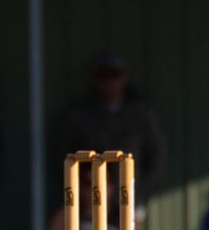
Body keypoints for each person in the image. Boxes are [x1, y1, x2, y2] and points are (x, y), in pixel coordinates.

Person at [62, 52, 164, 185]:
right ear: (96, 80)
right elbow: (66, 155)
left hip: (131, 192)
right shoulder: (81, 115)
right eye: (103, 76)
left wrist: (139, 189)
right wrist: (83, 186)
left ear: (124, 78)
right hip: (92, 194)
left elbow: (156, 156)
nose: (110, 82)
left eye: (115, 75)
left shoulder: (140, 115)